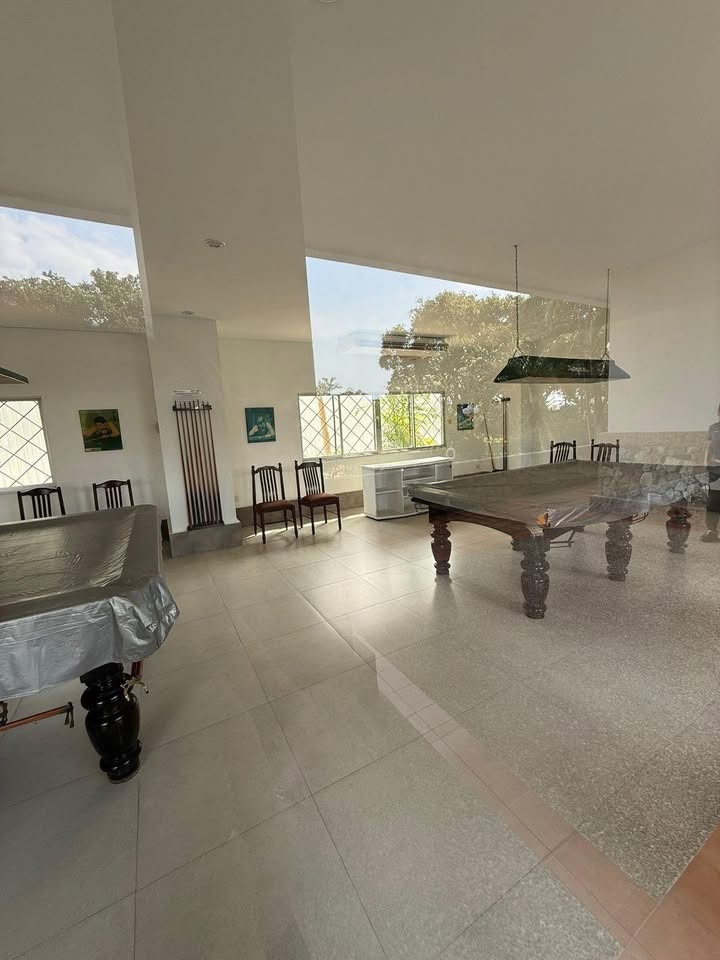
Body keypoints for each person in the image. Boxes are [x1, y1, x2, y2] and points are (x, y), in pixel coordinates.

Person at [700, 401, 720, 542]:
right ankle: (711, 531)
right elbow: (709, 448)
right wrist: (706, 464)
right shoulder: (713, 428)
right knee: (713, 500)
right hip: (716, 468)